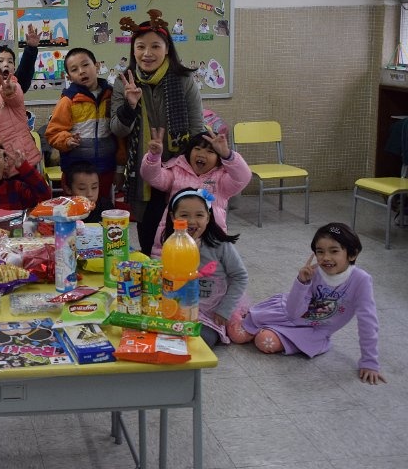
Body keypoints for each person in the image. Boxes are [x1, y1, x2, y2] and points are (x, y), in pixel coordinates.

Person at [230, 222, 386, 384]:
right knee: (237, 335)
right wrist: (301, 282)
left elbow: (368, 322)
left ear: (352, 254)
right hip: (286, 315)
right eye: (320, 251)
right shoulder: (314, 272)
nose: (326, 257)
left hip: (313, 332)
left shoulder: (361, 280)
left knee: (264, 341)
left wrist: (369, 362)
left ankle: (262, 329)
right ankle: (245, 317)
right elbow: (292, 313)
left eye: (334, 251)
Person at [111, 8, 203, 255]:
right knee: (149, 239)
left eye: (155, 46)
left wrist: (188, 170)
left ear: (167, 49)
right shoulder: (124, 82)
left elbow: (196, 130)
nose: (147, 53)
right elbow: (118, 129)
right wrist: (130, 105)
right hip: (143, 174)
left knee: (183, 239)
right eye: (140, 47)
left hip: (179, 171)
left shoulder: (183, 80)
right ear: (133, 50)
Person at [141, 128, 250, 257]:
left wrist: (228, 155)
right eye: (197, 149)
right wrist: (153, 157)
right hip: (174, 238)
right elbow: (153, 177)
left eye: (210, 151)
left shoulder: (222, 178)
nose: (202, 154)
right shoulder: (177, 170)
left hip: (210, 241)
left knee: (208, 267)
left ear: (218, 159)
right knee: (169, 265)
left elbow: (243, 177)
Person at [164, 188, 248, 347]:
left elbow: (240, 276)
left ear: (208, 217)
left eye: (199, 215)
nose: (192, 221)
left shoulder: (221, 245)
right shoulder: (172, 244)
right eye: (184, 215)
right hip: (181, 306)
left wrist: (224, 310)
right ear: (173, 217)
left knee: (200, 339)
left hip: (212, 311)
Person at [46, 45, 120, 197]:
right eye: (74, 70)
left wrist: (120, 168)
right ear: (69, 77)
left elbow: (120, 136)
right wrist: (66, 140)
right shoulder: (68, 101)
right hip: (76, 172)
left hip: (106, 168)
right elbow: (53, 133)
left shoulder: (112, 96)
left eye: (85, 65)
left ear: (97, 66)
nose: (81, 71)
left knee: (103, 207)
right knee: (76, 208)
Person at [0, 22, 40, 93]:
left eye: (10, 62)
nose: (6, 64)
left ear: (14, 68)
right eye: (0, 61)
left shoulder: (17, 85)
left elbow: (26, 69)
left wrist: (31, 48)